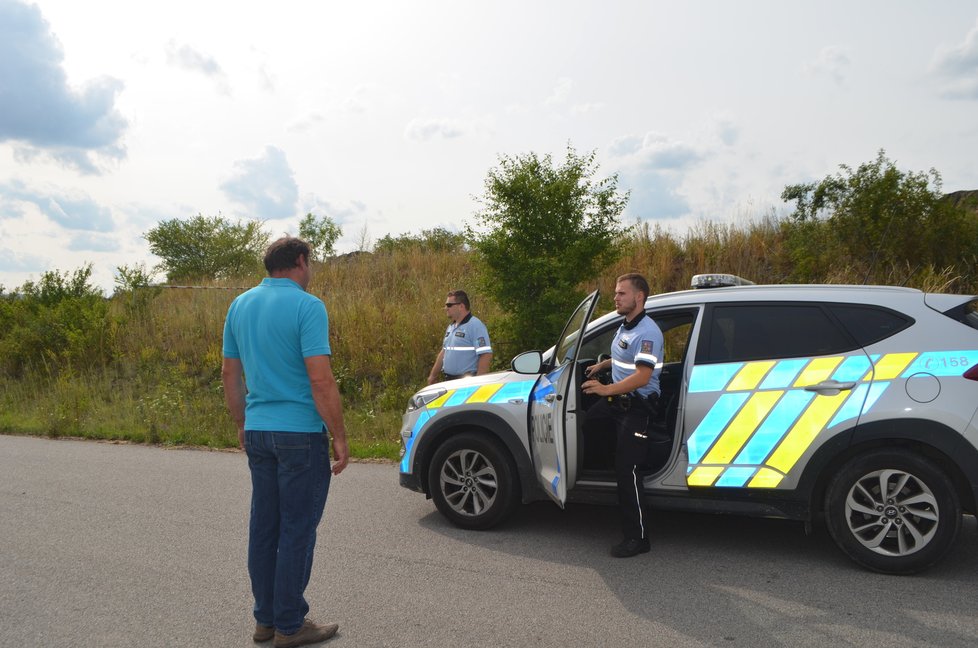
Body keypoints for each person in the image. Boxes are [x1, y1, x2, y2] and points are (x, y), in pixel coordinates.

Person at [222, 236, 350, 647]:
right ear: (299, 261)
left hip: (259, 430)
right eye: (309, 264)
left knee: (265, 526)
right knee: (297, 529)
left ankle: (265, 621)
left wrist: (242, 421)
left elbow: (230, 375)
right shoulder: (307, 306)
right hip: (299, 433)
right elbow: (320, 378)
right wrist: (340, 435)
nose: (310, 271)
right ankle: (291, 624)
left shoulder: (240, 305)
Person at [581, 273, 663, 558]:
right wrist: (603, 365)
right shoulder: (626, 325)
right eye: (616, 293)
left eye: (621, 294)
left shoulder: (648, 332)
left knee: (627, 472)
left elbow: (642, 376)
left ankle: (638, 538)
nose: (616, 298)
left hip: (636, 405)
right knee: (589, 423)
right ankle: (605, 472)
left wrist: (605, 389)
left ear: (638, 298)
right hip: (616, 400)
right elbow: (624, 358)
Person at [426, 290, 493, 384]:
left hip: (467, 381)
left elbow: (486, 354)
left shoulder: (475, 325)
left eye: (449, 305)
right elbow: (444, 352)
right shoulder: (451, 327)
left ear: (461, 306)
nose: (446, 308)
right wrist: (433, 376)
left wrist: (479, 382)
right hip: (449, 381)